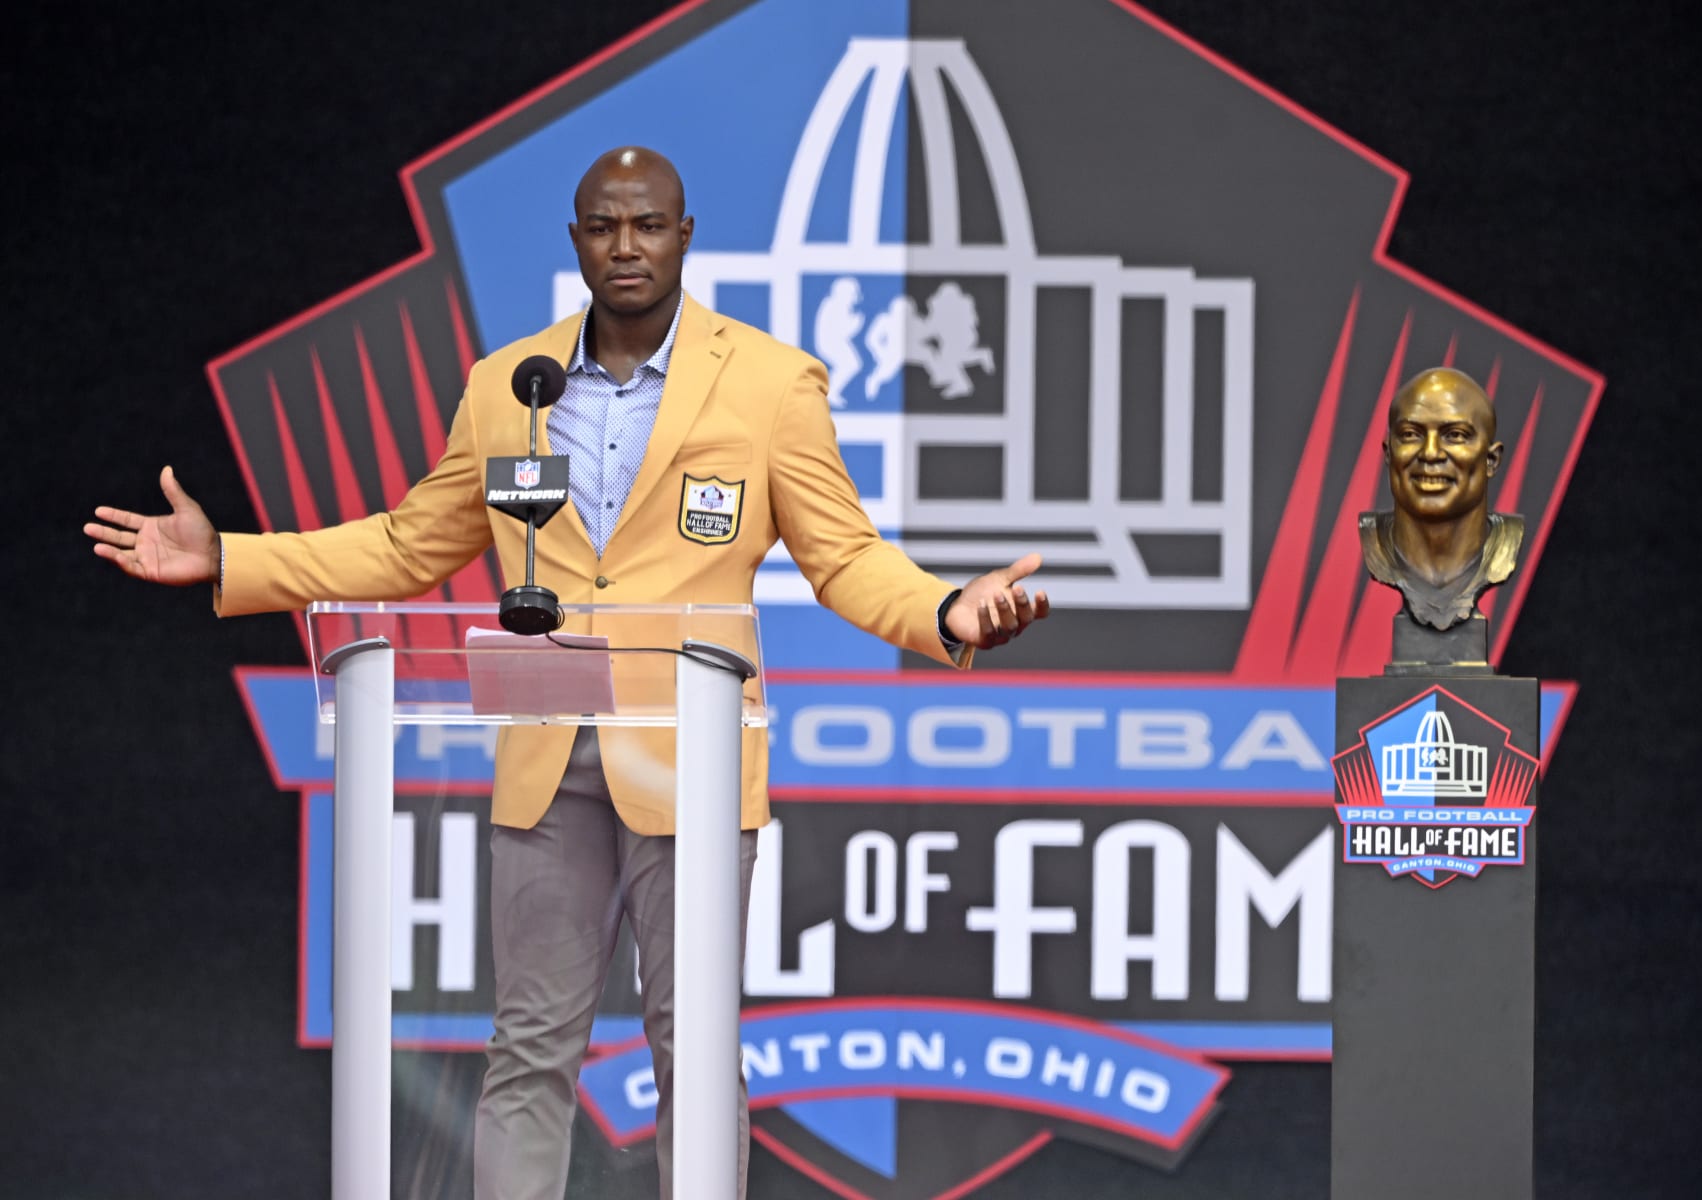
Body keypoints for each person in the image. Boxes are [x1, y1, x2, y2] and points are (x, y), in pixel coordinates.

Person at [85, 145, 1050, 1200]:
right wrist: (232, 556)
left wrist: (947, 610)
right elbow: (410, 544)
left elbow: (846, 558)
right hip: (548, 759)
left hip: (693, 764)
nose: (625, 245)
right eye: (603, 225)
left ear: (685, 235)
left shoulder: (771, 384)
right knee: (529, 1046)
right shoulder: (512, 386)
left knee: (695, 1052)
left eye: (647, 225)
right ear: (576, 240)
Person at [1359, 365, 1521, 630]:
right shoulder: (1374, 541)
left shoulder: (1506, 549)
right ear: (1389, 454)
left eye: (1455, 435)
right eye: (1411, 435)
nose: (1431, 453)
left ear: (1491, 460)